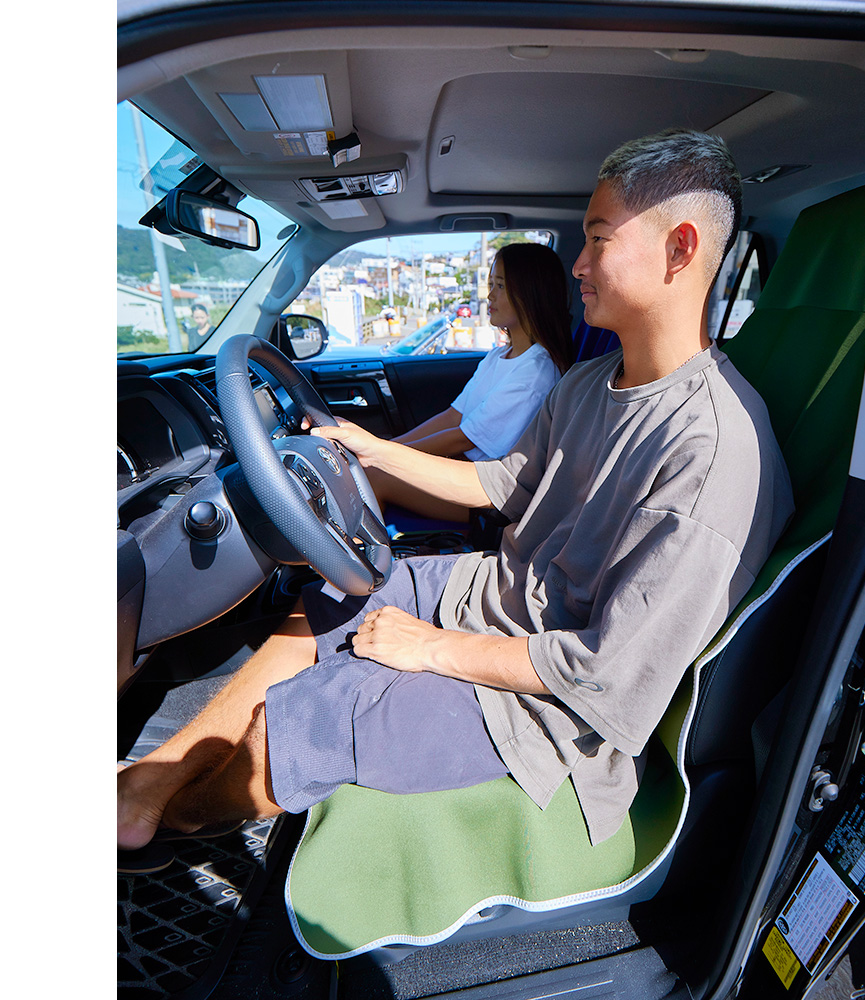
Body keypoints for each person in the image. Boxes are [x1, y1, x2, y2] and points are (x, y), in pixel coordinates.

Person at [118, 129, 794, 867]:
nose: (578, 263)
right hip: (500, 593)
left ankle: (173, 823)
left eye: (599, 239)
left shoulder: (712, 452)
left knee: (311, 716)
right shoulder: (587, 384)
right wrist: (374, 450)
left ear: (680, 248)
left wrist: (432, 648)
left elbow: (605, 674)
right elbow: (499, 485)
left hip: (548, 708)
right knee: (336, 596)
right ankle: (151, 782)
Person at [364, 242, 574, 522]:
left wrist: (383, 453)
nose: (490, 295)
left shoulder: (536, 372)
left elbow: (463, 438)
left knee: (375, 476)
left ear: (530, 293)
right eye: (491, 284)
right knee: (372, 466)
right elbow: (454, 416)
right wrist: (390, 446)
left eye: (501, 286)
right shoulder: (499, 356)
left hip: (488, 495)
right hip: (464, 469)